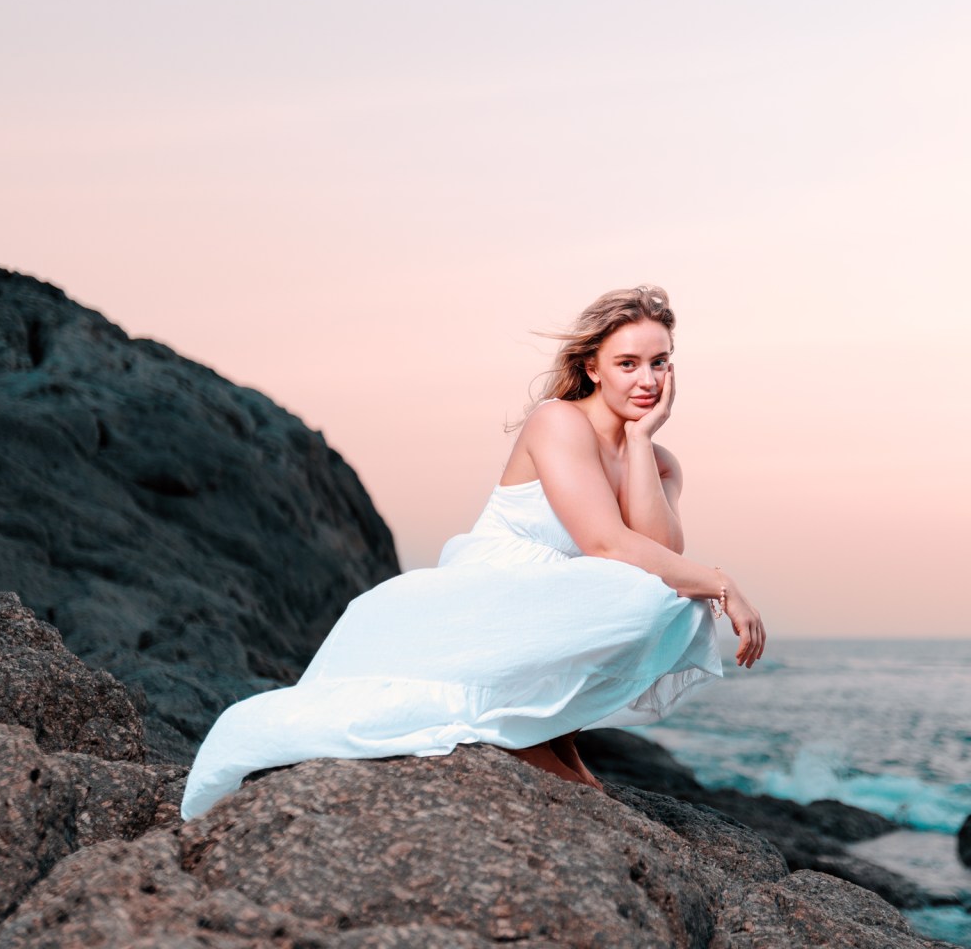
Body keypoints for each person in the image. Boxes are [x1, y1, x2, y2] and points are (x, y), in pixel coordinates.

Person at [180, 285, 766, 820]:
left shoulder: (661, 463)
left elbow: (657, 553)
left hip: (564, 598)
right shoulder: (558, 420)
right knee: (658, 590)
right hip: (494, 592)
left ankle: (554, 735)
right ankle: (522, 730)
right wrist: (723, 583)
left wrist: (640, 441)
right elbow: (608, 545)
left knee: (669, 598)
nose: (647, 380)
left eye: (660, 363)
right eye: (628, 364)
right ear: (592, 368)